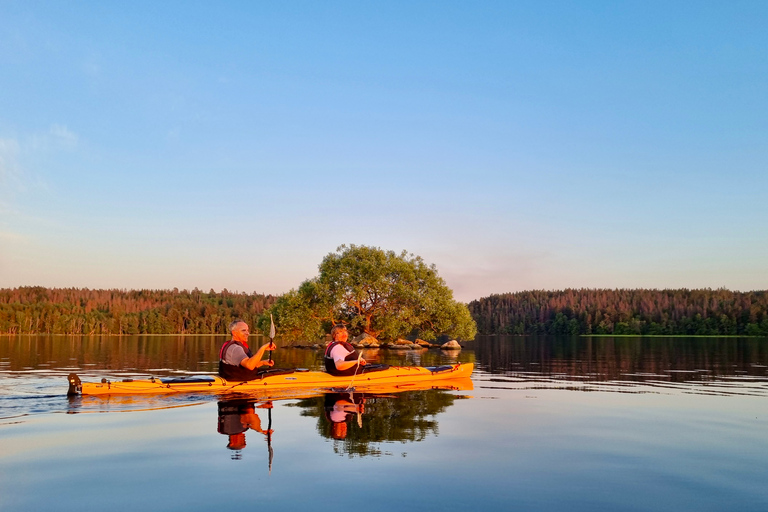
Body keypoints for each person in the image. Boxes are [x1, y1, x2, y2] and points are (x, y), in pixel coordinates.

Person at [323, 324, 388, 376]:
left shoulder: (335, 344)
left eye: (345, 331)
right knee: (384, 367)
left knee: (379, 365)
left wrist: (359, 361)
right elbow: (339, 366)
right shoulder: (338, 347)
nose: (344, 334)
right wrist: (356, 361)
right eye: (340, 332)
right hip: (343, 375)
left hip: (337, 373)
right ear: (335, 335)